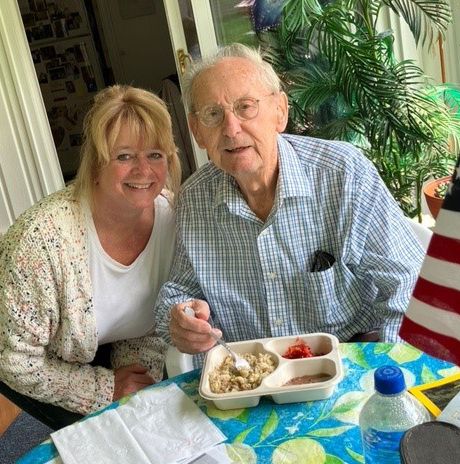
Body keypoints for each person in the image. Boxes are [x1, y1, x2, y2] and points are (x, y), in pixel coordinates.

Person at [154, 43, 424, 360]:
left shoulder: (343, 174)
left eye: (245, 107)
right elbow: (180, 290)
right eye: (213, 114)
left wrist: (388, 373)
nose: (231, 129)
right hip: (252, 376)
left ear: (280, 112)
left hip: (349, 358)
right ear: (197, 131)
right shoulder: (194, 198)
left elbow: (408, 284)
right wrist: (181, 316)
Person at [0, 85, 181, 429]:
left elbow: (149, 316)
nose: (143, 170)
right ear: (96, 164)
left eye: (155, 154)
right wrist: (106, 388)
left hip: (107, 341)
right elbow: (16, 361)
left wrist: (134, 377)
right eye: (124, 156)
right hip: (30, 357)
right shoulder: (41, 240)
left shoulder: (171, 217)